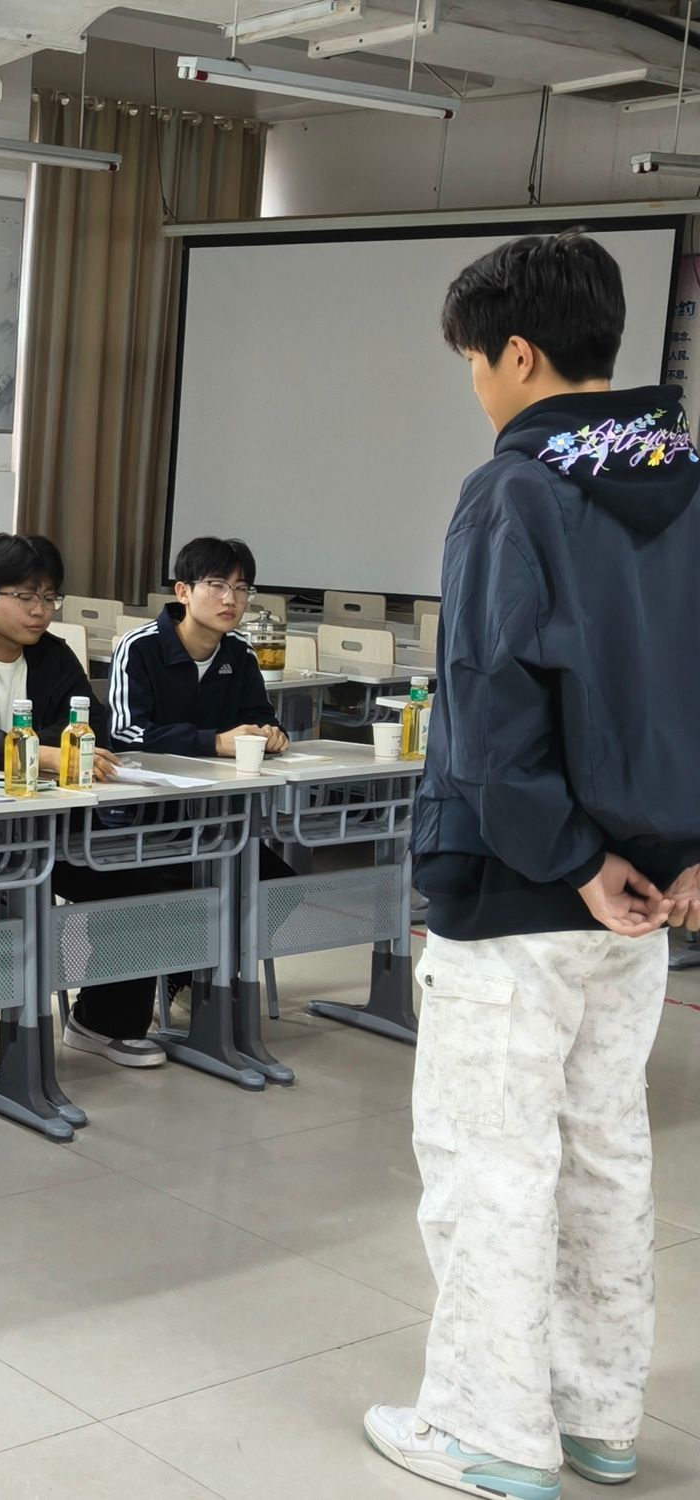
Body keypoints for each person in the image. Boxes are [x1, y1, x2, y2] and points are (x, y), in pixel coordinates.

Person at [364, 230, 700, 1500]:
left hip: (520, 891)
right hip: (649, 896)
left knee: (489, 1162)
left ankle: (490, 1431)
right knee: (604, 1151)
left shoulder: (510, 490)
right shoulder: (687, 480)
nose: (474, 385)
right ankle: (596, 1417)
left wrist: (568, 856)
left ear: (514, 353)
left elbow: (487, 706)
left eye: (470, 361)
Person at [0, 533, 174, 1067]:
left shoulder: (54, 655)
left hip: (51, 825)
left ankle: (101, 1022)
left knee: (131, 877)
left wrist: (41, 749)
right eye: (26, 596)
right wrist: (41, 751)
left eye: (48, 597)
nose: (40, 610)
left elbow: (91, 722)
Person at [106, 535, 289, 761]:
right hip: (151, 777)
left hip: (221, 779)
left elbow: (260, 718)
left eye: (241, 588)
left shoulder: (240, 650)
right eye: (217, 585)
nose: (230, 599)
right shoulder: (139, 647)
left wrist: (271, 734)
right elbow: (124, 733)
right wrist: (214, 742)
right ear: (183, 592)